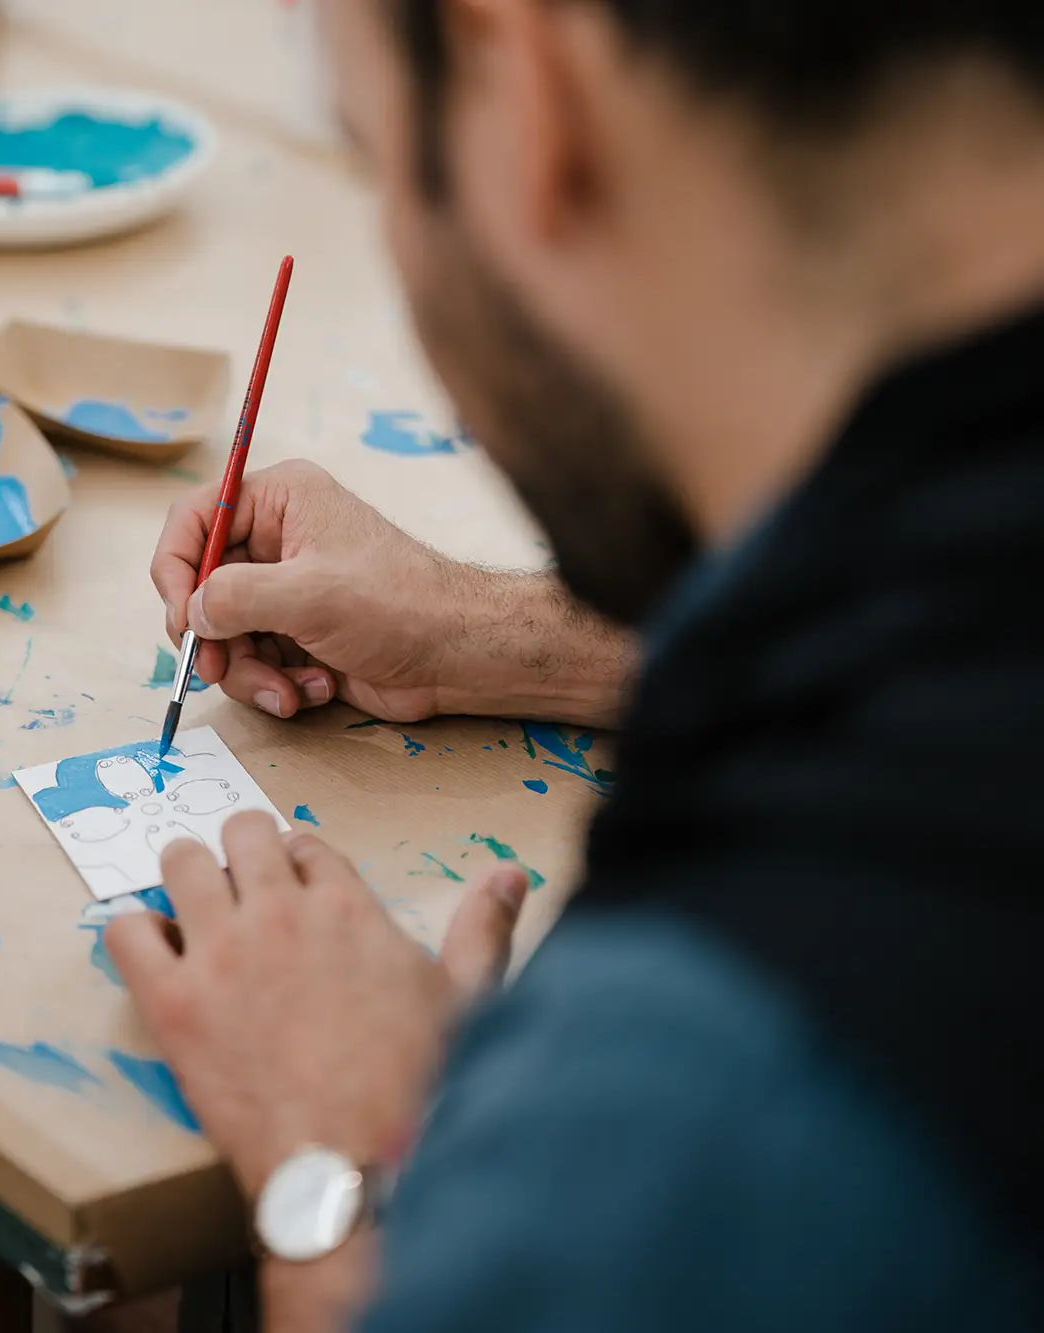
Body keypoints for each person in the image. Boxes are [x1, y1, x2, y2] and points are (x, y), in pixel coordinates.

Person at [113, 0, 1044, 1329]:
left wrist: (360, 1164)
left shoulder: (685, 1109)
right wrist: (481, 635)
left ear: (521, 77)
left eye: (380, 156)